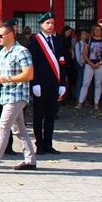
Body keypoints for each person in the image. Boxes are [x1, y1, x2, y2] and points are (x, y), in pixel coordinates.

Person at [0, 22, 37, 172]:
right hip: (7, 95)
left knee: (3, 126)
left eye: (0, 36)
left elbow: (29, 74)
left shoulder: (22, 51)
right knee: (20, 129)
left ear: (10, 35)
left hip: (17, 95)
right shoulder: (3, 52)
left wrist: (8, 78)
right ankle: (30, 161)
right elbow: (0, 70)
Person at [27, 12, 67, 155]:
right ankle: (39, 144)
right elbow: (32, 63)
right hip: (40, 84)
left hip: (54, 84)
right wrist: (34, 82)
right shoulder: (34, 40)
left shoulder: (58, 40)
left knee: (51, 115)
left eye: (52, 23)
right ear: (41, 25)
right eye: (47, 23)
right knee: (38, 116)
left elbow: (62, 63)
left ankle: (48, 144)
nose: (50, 26)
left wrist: (62, 83)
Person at [77, 24, 102, 109]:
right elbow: (84, 53)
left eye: (99, 30)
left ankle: (96, 103)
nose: (97, 31)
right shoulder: (89, 40)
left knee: (98, 84)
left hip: (100, 65)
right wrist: (90, 63)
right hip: (89, 64)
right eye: (96, 30)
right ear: (93, 31)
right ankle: (80, 102)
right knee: (85, 83)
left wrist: (100, 62)